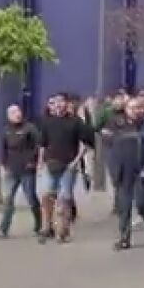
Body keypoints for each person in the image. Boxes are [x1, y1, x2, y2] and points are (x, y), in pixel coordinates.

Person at [105, 97, 144, 250]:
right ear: (125, 109)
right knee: (124, 207)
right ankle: (124, 238)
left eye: (138, 107)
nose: (135, 111)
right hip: (123, 172)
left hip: (142, 172)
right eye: (131, 108)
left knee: (143, 204)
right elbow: (109, 148)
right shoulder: (117, 125)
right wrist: (112, 169)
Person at [38, 94, 89, 242]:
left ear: (66, 104)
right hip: (50, 164)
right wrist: (40, 162)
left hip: (68, 166)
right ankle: (47, 228)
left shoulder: (75, 122)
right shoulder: (47, 122)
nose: (58, 105)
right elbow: (42, 145)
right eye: (55, 102)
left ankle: (63, 231)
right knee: (47, 196)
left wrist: (75, 162)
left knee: (65, 198)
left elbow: (85, 144)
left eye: (61, 102)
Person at [0, 104, 42, 239]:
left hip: (27, 170)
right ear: (8, 116)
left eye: (18, 111)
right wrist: (4, 163)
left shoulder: (29, 128)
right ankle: (3, 228)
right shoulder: (6, 130)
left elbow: (38, 145)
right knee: (8, 199)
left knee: (31, 198)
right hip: (12, 169)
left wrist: (33, 161)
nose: (17, 114)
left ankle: (39, 224)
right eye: (13, 112)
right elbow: (3, 148)